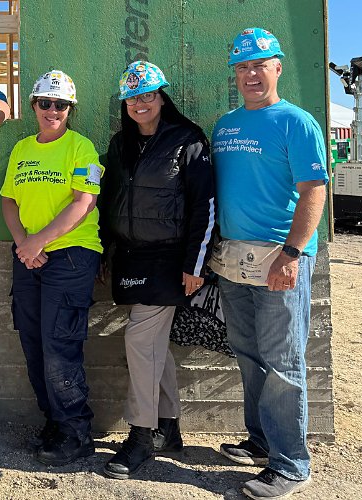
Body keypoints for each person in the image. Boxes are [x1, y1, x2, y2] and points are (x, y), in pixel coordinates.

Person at [211, 28, 328, 499]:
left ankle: (291, 464)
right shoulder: (226, 125)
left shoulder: (296, 122)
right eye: (242, 67)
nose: (250, 75)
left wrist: (293, 253)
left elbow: (314, 189)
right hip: (235, 259)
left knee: (282, 361)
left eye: (259, 65)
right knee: (249, 353)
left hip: (280, 256)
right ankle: (261, 442)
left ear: (277, 67)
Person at [99, 61, 216, 480]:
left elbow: (205, 205)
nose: (140, 103)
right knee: (154, 345)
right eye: (132, 97)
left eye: (147, 94)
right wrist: (102, 250)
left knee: (139, 339)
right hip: (131, 257)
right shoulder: (120, 144)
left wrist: (195, 265)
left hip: (170, 259)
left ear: (163, 96)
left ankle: (141, 436)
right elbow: (108, 200)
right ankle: (168, 426)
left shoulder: (188, 140)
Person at [0, 70, 103, 466]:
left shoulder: (81, 148)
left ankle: (76, 432)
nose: (52, 110)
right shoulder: (22, 149)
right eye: (45, 103)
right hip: (29, 257)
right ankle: (55, 422)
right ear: (34, 106)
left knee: (60, 345)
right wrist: (24, 247)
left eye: (60, 105)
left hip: (71, 255)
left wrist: (35, 243)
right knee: (33, 343)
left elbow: (83, 203)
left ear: (69, 109)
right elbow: (10, 201)